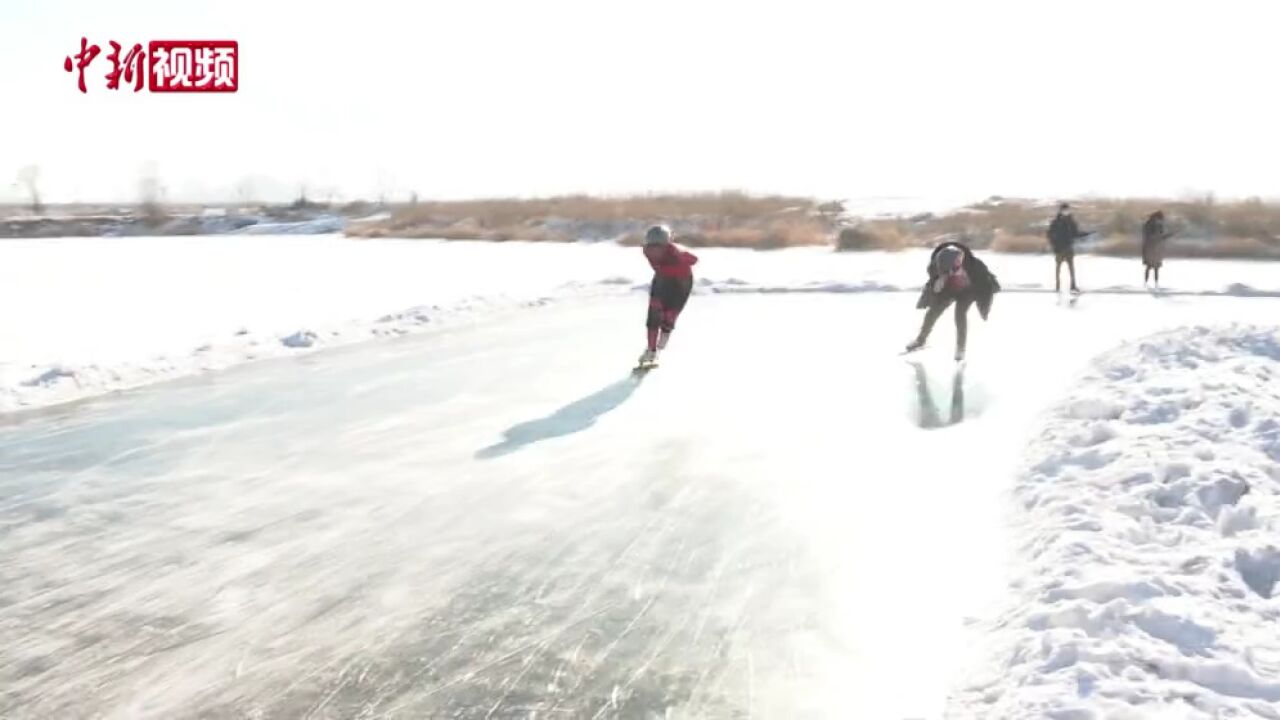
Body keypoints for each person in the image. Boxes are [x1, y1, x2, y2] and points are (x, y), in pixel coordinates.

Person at [905, 241, 1000, 361]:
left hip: (968, 291)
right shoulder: (935, 267)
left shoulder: (974, 265)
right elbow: (933, 285)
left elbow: (985, 284)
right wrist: (937, 283)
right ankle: (920, 340)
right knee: (933, 313)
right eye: (955, 262)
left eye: (960, 259)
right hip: (948, 290)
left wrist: (984, 303)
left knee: (960, 315)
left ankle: (960, 348)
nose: (959, 262)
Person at [639, 225, 698, 365]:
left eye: (658, 246)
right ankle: (651, 350)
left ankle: (661, 343)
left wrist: (682, 256)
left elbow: (694, 259)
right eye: (652, 246)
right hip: (662, 280)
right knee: (654, 315)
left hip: (681, 283)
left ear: (666, 245)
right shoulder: (646, 250)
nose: (654, 250)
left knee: (669, 317)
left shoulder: (675, 252)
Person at [1047, 202, 1091, 293]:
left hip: (1069, 248)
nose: (1066, 211)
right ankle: (1057, 286)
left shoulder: (1071, 222)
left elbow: (1076, 234)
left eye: (1067, 209)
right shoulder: (1055, 222)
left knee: (1071, 268)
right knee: (1058, 269)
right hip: (1059, 249)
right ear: (1061, 210)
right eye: (1064, 210)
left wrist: (1085, 234)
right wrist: (1054, 246)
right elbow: (1050, 235)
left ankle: (1073, 286)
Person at [1142, 210, 1173, 287]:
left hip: (1157, 248)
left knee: (1156, 268)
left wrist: (1168, 235)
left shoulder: (1159, 225)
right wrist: (1159, 237)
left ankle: (1156, 284)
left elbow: (1161, 237)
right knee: (1149, 266)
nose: (1160, 221)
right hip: (1150, 248)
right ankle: (1146, 284)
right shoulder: (1148, 224)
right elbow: (1148, 236)